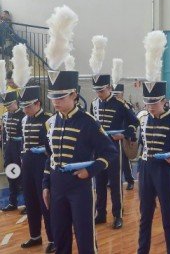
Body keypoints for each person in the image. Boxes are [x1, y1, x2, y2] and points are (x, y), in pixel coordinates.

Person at [43, 70, 118, 253]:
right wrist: (46, 184)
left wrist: (90, 171)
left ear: (74, 95)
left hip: (80, 187)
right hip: (57, 186)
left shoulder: (89, 122)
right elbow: (49, 156)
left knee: (85, 238)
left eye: (60, 97)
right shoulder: (50, 123)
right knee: (60, 237)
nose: (55, 102)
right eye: (53, 97)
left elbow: (110, 152)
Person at [137, 30, 170, 254]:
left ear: (164, 100)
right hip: (145, 168)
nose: (150, 106)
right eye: (147, 102)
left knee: (169, 215)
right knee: (144, 216)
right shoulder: (141, 117)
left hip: (166, 170)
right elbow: (140, 143)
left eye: (154, 102)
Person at [90, 75, 139, 229]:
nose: (99, 94)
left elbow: (134, 122)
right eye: (97, 91)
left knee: (115, 183)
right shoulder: (94, 104)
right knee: (99, 182)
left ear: (109, 88)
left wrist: (124, 134)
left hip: (114, 147)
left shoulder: (120, 104)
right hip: (98, 148)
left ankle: (117, 215)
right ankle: (101, 214)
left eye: (102, 90)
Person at [19, 84, 55, 253]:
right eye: (24, 106)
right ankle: (35, 236)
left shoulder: (48, 119)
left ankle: (53, 238)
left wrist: (43, 150)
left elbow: (52, 146)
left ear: (38, 103)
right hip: (27, 164)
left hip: (42, 164)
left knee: (45, 202)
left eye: (28, 106)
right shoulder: (24, 119)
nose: (25, 110)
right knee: (30, 200)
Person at [1, 90, 25, 212]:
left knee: (23, 175)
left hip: (19, 147)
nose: (8, 108)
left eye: (9, 105)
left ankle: (28, 204)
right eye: (6, 106)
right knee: (11, 173)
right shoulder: (5, 116)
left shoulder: (23, 115)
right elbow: (4, 134)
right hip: (9, 147)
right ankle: (12, 202)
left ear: (15, 102)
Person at [112, 83, 136, 190]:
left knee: (125, 160)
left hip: (125, 136)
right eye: (114, 93)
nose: (116, 96)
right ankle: (113, 180)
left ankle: (130, 180)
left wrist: (132, 137)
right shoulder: (112, 105)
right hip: (113, 137)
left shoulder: (127, 105)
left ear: (122, 94)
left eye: (118, 93)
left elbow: (133, 122)